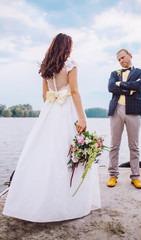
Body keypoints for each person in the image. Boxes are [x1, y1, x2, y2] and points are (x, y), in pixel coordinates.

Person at [3, 33, 101, 222]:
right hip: (68, 110)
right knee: (69, 152)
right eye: (70, 45)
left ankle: (39, 199)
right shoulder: (70, 64)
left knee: (46, 153)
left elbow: (44, 94)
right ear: (67, 46)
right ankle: (70, 202)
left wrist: (50, 109)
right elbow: (74, 91)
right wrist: (81, 117)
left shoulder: (46, 66)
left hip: (50, 111)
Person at [107, 49, 141, 189]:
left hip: (133, 110)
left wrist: (120, 85)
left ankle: (135, 177)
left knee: (134, 146)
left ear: (130, 55)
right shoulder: (114, 74)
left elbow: (138, 85)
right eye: (118, 59)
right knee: (114, 145)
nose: (121, 61)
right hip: (116, 110)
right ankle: (112, 175)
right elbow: (110, 87)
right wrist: (129, 89)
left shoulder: (140, 72)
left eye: (123, 57)